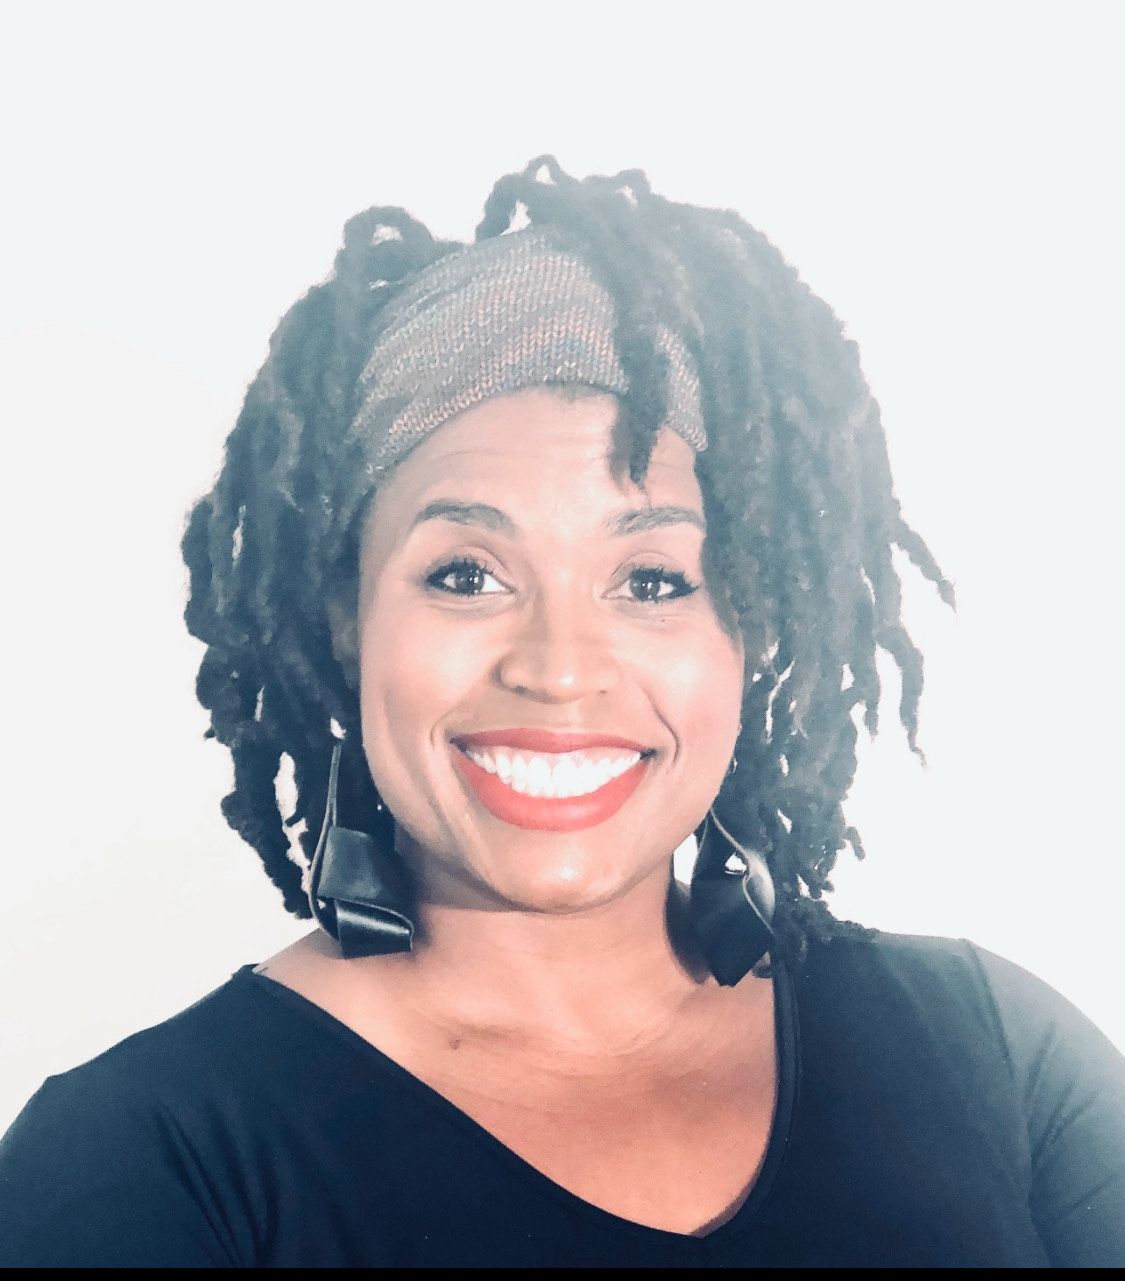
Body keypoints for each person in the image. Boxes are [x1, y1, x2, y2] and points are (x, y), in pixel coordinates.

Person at [1, 156, 1122, 1268]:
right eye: (466, 574)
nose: (559, 669)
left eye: (651, 582)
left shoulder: (994, 1053)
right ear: (344, 619)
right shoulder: (145, 1161)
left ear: (756, 626)